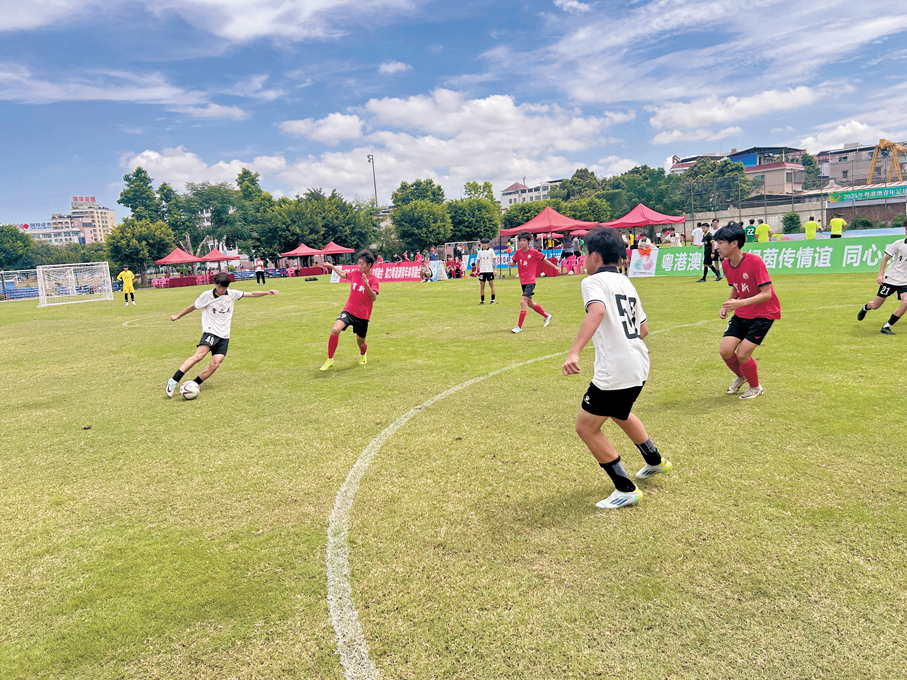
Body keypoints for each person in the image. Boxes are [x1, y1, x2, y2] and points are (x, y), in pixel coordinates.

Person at [561, 228, 671, 510]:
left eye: (586, 254)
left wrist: (574, 352)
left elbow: (596, 312)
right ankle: (654, 460)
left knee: (586, 427)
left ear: (594, 256)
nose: (585, 259)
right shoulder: (625, 282)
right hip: (639, 362)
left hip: (617, 367)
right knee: (619, 413)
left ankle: (625, 488)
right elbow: (643, 328)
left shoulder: (592, 281)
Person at [165, 272, 278, 398]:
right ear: (215, 284)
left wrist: (267, 292)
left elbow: (251, 294)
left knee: (215, 364)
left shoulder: (232, 294)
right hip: (211, 331)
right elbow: (193, 306)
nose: (221, 290)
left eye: (224, 288)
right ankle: (173, 380)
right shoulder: (207, 295)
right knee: (199, 355)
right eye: (219, 287)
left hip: (224, 335)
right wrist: (178, 316)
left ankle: (193, 384)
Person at [714, 223, 781, 400]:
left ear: (734, 243)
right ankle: (742, 377)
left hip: (764, 314)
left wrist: (739, 303)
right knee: (725, 350)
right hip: (743, 312)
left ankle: (755, 387)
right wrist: (728, 304)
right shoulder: (726, 264)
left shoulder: (755, 262)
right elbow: (736, 287)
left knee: (743, 354)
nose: (717, 246)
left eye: (721, 242)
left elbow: (767, 294)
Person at [320, 250, 379, 370]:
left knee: (361, 343)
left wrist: (366, 285)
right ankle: (330, 359)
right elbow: (343, 274)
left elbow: (373, 297)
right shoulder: (355, 273)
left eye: (362, 264)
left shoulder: (373, 279)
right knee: (335, 329)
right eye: (359, 263)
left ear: (369, 265)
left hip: (362, 316)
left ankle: (363, 354)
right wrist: (332, 267)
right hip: (349, 311)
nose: (359, 266)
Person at [856, 225, 907, 334]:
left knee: (906, 302)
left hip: (905, 282)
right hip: (891, 279)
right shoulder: (898, 244)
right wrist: (880, 275)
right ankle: (866, 307)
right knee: (875, 305)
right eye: (906, 229)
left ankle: (886, 326)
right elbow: (885, 260)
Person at [510, 231, 554, 333]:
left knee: (523, 301)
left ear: (528, 241)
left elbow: (544, 260)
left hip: (530, 282)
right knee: (530, 303)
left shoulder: (534, 252)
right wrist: (510, 264)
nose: (522, 243)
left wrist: (555, 267)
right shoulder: (518, 253)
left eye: (524, 241)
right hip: (523, 282)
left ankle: (519, 327)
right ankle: (547, 315)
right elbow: (513, 263)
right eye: (521, 241)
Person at [476, 238, 496, 304]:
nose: (483, 245)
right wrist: (477, 270)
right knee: (482, 286)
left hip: (489, 270)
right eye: (482, 243)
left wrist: (495, 269)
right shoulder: (479, 252)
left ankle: (492, 300)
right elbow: (478, 261)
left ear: (487, 244)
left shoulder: (491, 251)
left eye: (485, 243)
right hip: (482, 271)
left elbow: (494, 260)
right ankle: (482, 300)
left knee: (491, 285)